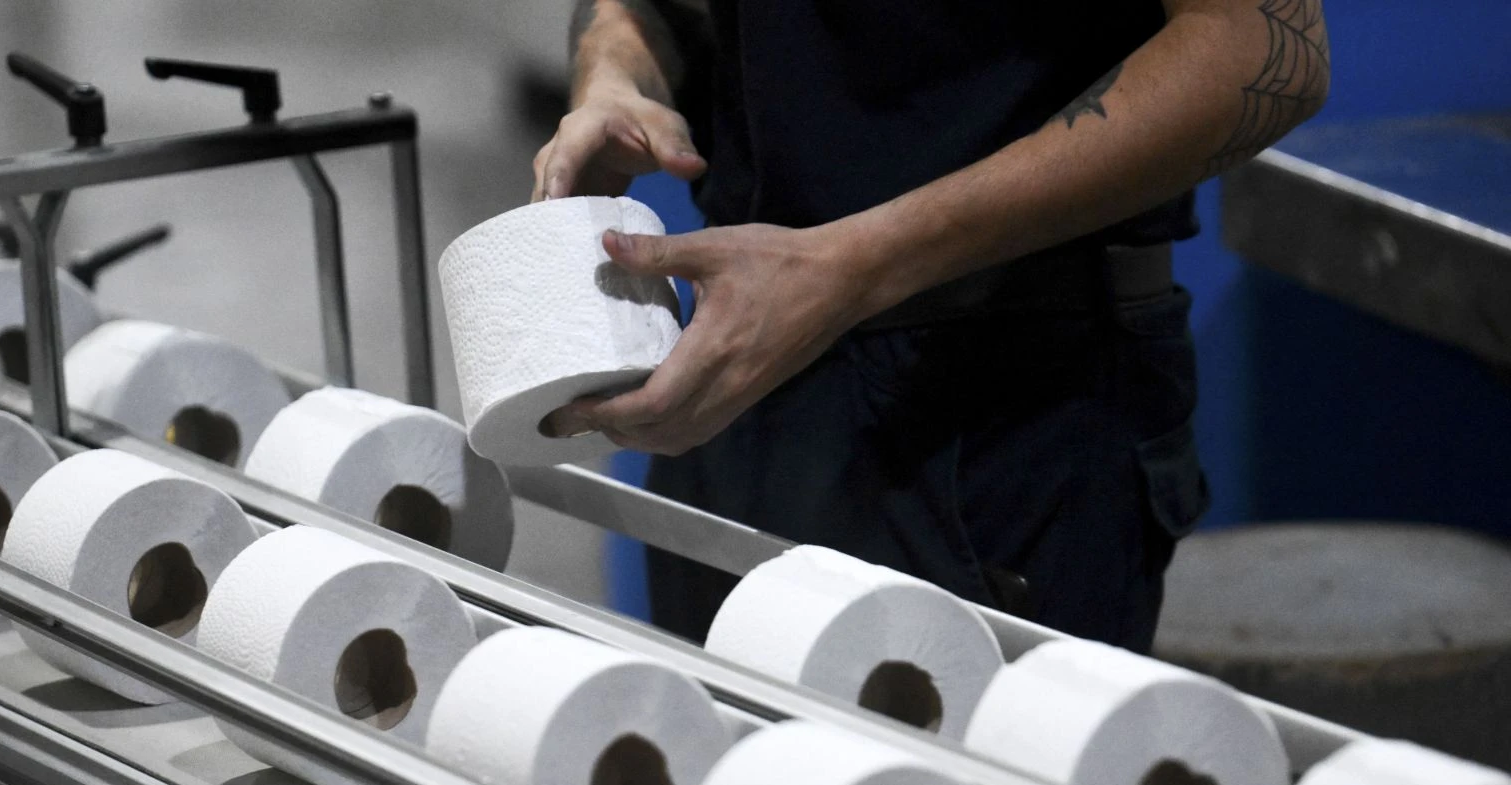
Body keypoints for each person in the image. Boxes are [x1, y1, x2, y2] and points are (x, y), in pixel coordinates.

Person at [537, 0, 1330, 650]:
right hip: (735, 379)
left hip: (991, 413)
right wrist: (614, 72)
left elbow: (1261, 51)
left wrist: (854, 267)